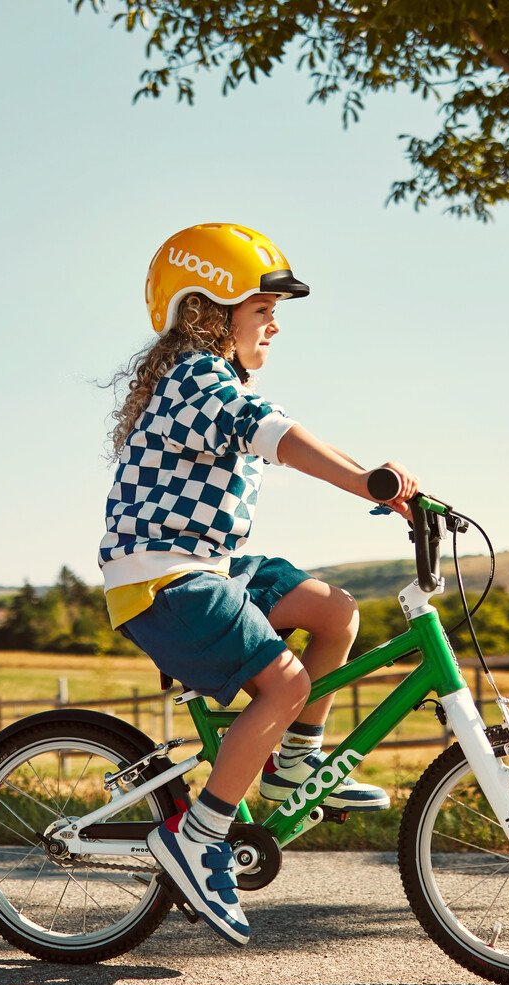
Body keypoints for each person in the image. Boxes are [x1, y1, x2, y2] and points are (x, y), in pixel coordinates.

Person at [98, 222, 419, 945]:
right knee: (285, 683)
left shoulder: (219, 380)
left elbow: (294, 429)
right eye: (262, 310)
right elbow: (278, 438)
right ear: (208, 311)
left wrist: (384, 485)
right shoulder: (195, 379)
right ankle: (199, 837)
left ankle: (291, 766)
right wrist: (362, 479)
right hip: (162, 577)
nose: (274, 325)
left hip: (213, 565)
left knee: (335, 612)